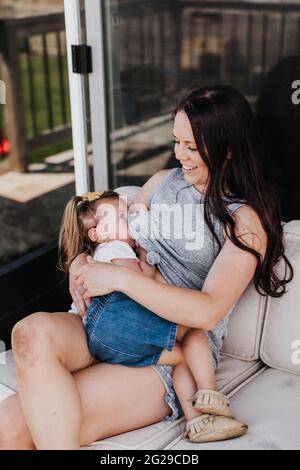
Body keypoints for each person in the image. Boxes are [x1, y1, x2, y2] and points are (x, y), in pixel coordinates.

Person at [0, 85, 293, 450]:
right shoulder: (160, 183)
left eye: (192, 146)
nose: (179, 155)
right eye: (176, 142)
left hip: (168, 343)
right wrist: (81, 263)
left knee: (11, 429)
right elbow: (113, 234)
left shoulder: (244, 221)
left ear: (228, 148)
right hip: (105, 318)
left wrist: (118, 276)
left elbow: (207, 310)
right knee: (28, 333)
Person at [58, 189, 248, 443]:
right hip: (115, 318)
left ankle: (198, 422)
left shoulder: (95, 256)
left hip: (99, 337)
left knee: (180, 358)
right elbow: (136, 284)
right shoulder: (116, 248)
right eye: (123, 219)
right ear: (99, 234)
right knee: (193, 331)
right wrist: (147, 262)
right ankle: (210, 394)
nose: (132, 224)